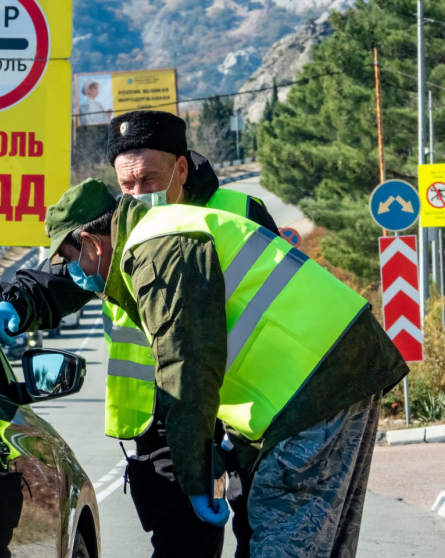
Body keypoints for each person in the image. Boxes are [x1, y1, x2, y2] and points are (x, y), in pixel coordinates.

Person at [43, 178, 409, 556]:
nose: (75, 273)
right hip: (334, 371)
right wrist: (214, 454)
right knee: (320, 545)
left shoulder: (156, 247)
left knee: (282, 536)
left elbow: (187, 367)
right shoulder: (164, 231)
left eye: (70, 260)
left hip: (314, 389)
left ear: (91, 242)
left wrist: (197, 482)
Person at [0, 111, 277, 557]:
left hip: (241, 414)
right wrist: (12, 301)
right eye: (127, 186)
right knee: (182, 547)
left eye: (150, 180)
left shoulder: (240, 215)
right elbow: (60, 276)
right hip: (160, 422)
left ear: (181, 168)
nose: (138, 196)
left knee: (264, 538)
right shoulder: (114, 229)